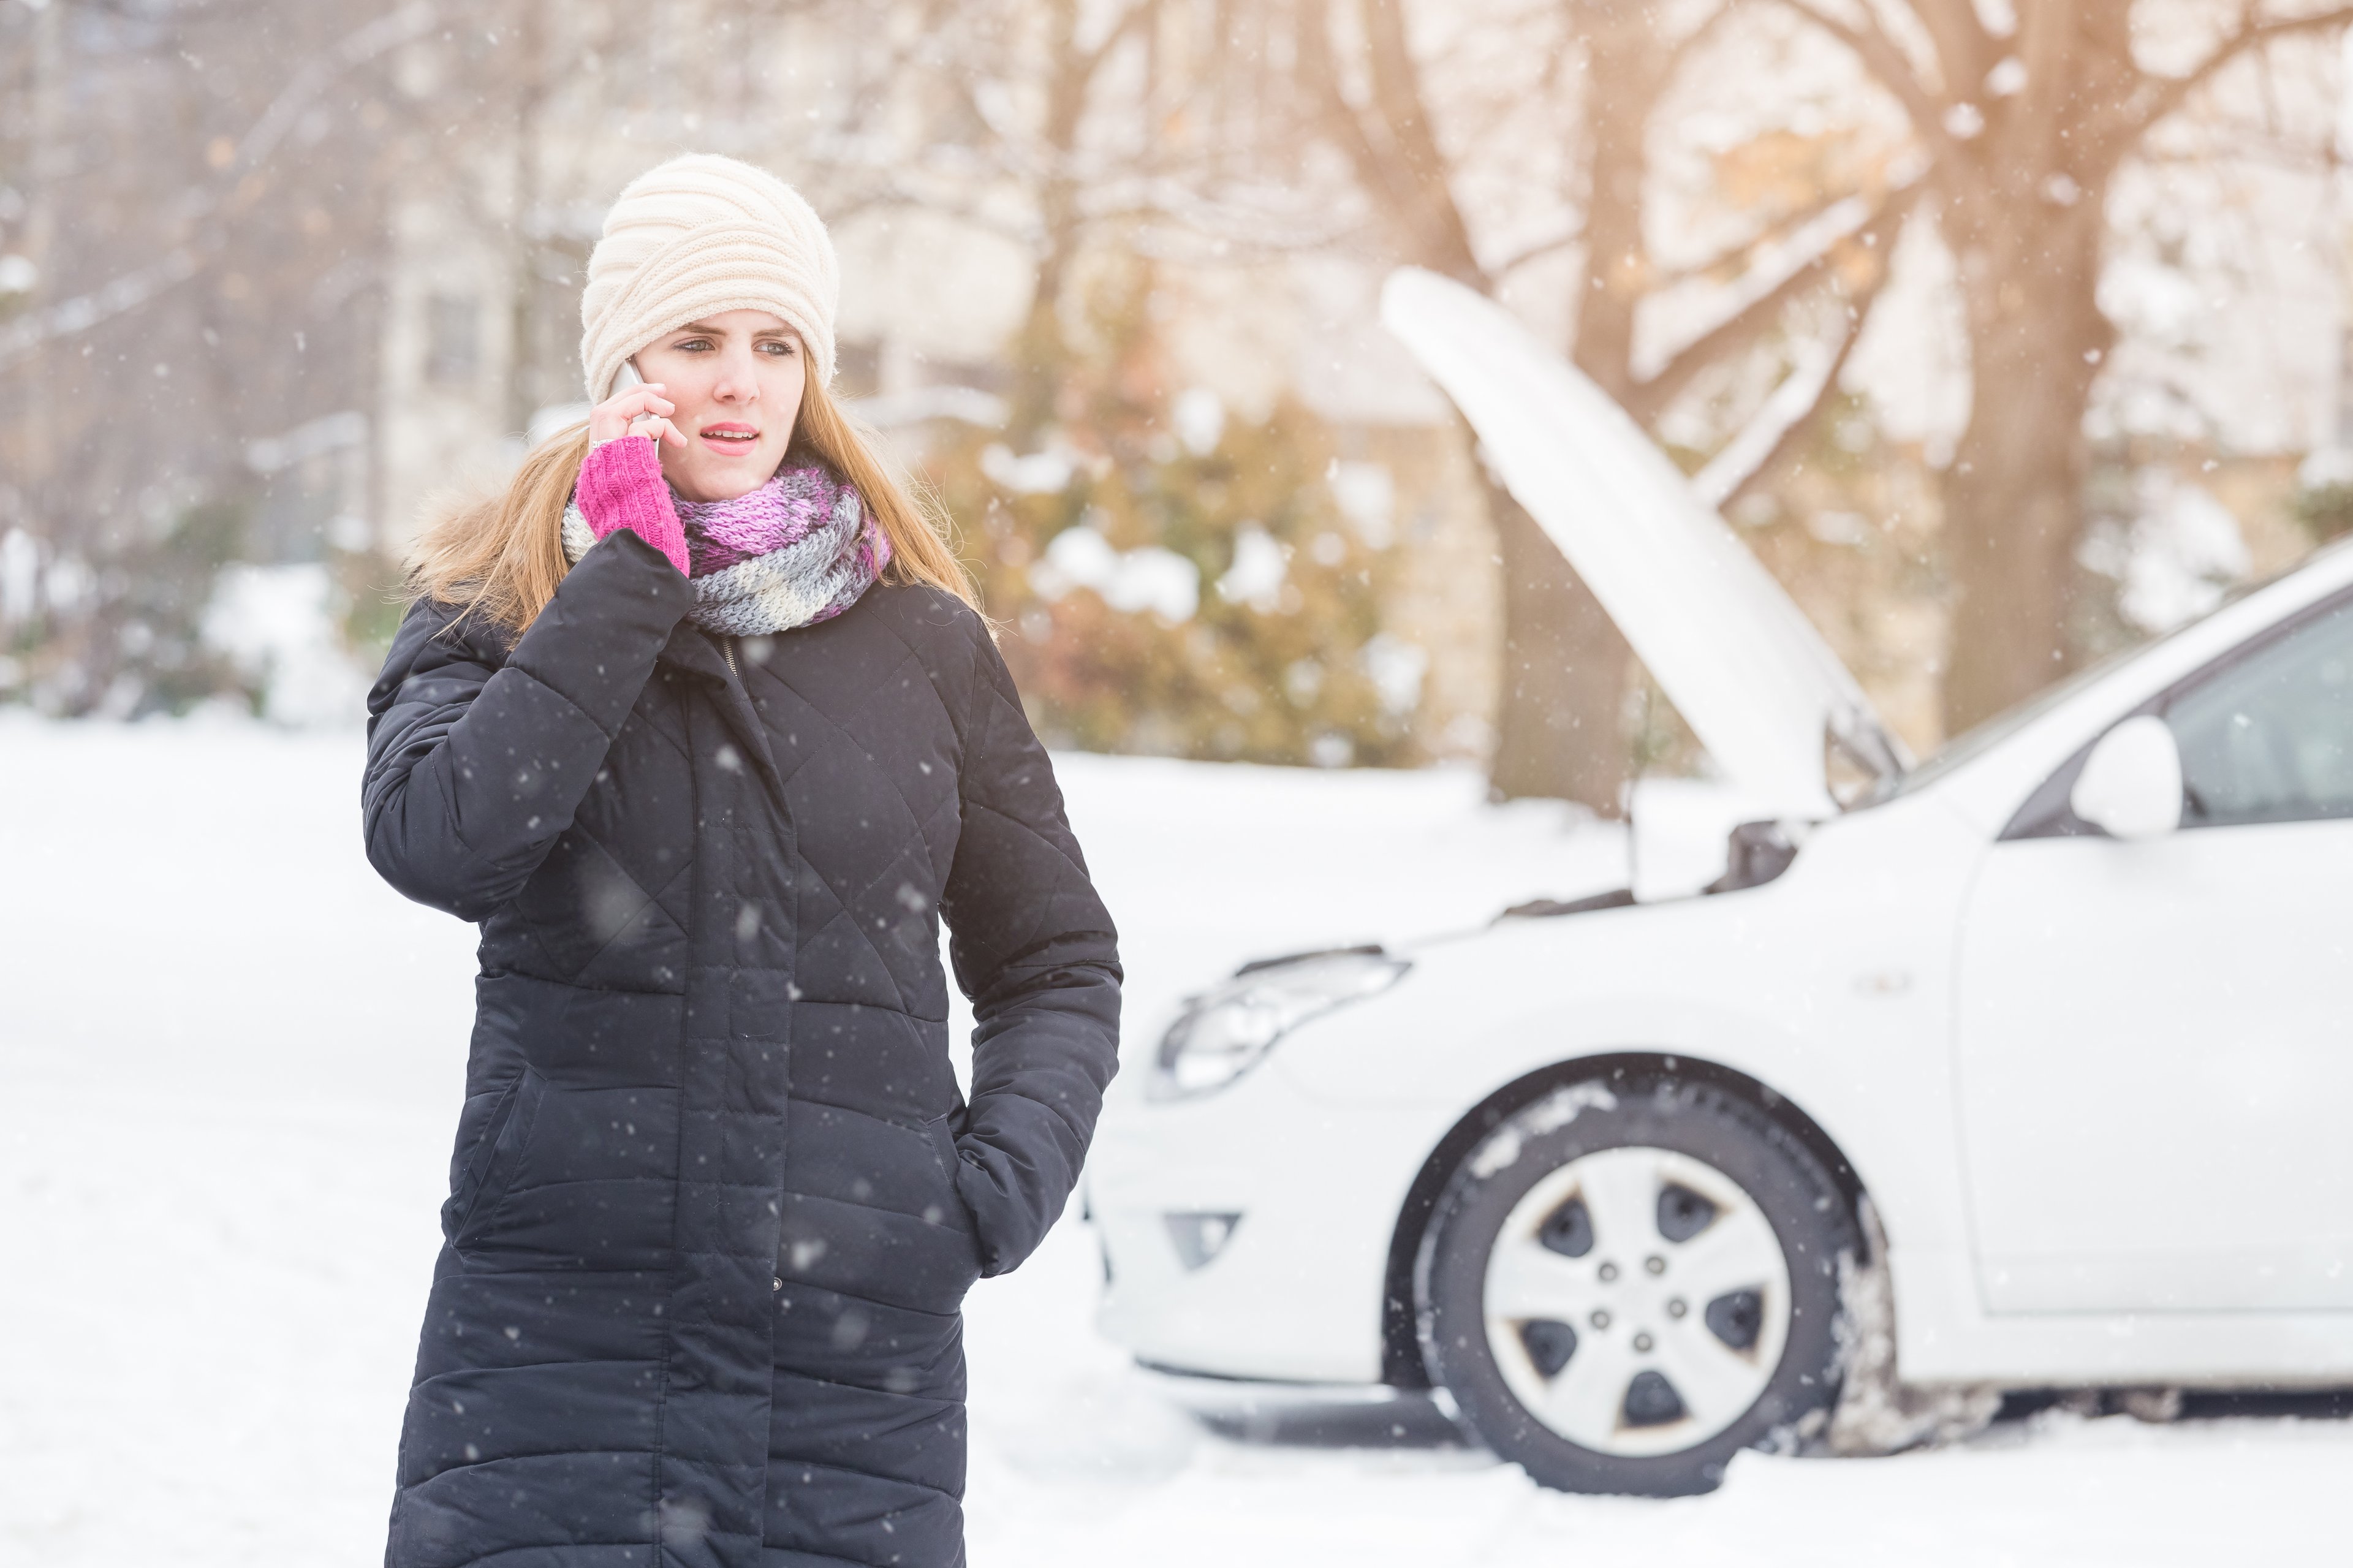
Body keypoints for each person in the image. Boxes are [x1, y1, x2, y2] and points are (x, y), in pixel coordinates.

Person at [363, 152, 1121, 1568]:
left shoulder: (924, 642)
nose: (740, 380)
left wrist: (980, 1194)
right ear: (623, 364)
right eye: (697, 339)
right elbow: (441, 840)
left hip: (846, 1376)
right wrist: (624, 580)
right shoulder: (495, 606)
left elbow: (1055, 958)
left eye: (776, 344)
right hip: (555, 1347)